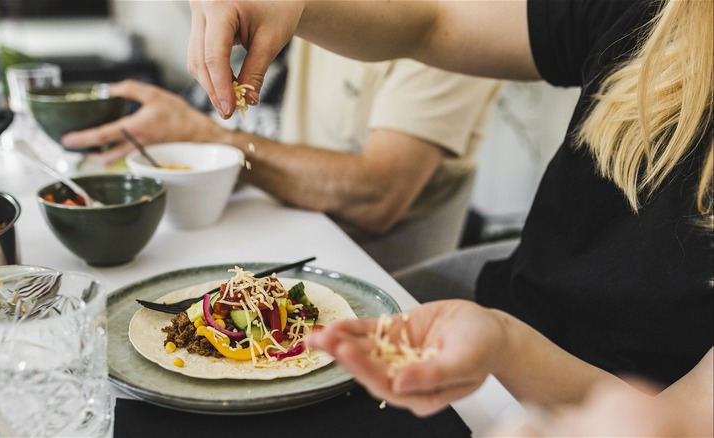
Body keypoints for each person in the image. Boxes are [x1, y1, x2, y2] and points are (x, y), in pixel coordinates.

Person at [184, 0, 713, 434]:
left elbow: (682, 417)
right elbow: (434, 21)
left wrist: (505, 346)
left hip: (570, 403)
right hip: (484, 354)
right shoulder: (661, 13)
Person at [61, 41, 501, 274]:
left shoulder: (454, 28)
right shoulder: (326, 15)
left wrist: (207, 136)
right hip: (281, 243)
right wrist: (197, 152)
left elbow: (376, 195)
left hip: (379, 285)